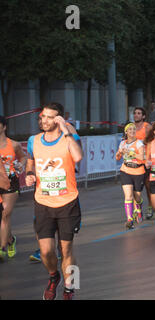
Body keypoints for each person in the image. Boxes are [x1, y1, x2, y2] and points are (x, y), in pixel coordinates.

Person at [25, 102, 83, 300]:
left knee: (67, 249)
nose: (45, 120)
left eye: (50, 117)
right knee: (46, 251)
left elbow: (78, 157)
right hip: (43, 203)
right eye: (43, 116)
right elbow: (30, 159)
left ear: (59, 120)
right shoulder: (34, 140)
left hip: (68, 202)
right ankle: (54, 276)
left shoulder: (69, 137)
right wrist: (30, 173)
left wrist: (66, 130)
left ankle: (71, 287)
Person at [0, 116, 27, 261]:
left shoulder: (14, 144)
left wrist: (21, 165)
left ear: (4, 127)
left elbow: (23, 157)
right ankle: (10, 240)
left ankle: (2, 248)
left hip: (11, 182)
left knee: (5, 214)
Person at [116, 123, 146, 230]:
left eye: (134, 129)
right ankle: (129, 219)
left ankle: (138, 207)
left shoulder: (139, 143)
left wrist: (130, 152)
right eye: (130, 129)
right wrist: (120, 152)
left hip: (138, 172)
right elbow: (117, 157)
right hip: (126, 171)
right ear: (126, 132)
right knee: (128, 196)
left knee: (137, 197)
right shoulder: (122, 143)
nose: (132, 131)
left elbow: (142, 157)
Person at [133, 107, 153, 220]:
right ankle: (138, 207)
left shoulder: (147, 127)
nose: (136, 115)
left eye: (139, 113)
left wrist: (148, 159)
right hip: (134, 161)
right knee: (135, 188)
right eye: (135, 113)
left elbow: (151, 142)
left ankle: (150, 206)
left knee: (148, 186)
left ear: (143, 116)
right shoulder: (130, 127)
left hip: (145, 161)